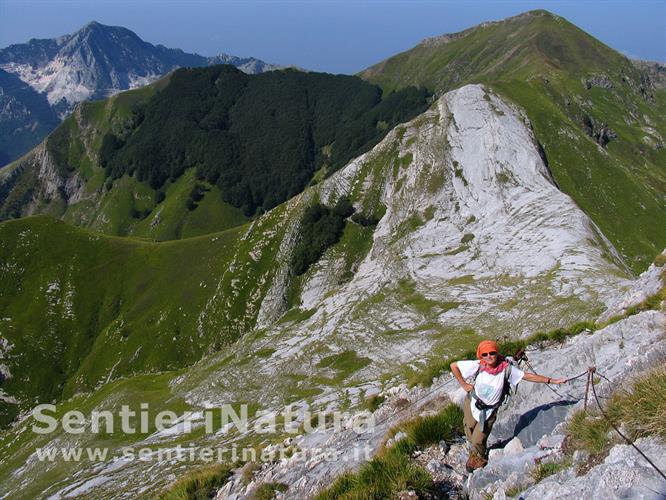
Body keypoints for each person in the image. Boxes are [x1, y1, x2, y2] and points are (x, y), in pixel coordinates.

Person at [450, 340, 567, 472]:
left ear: (497, 353)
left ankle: (479, 458)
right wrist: (464, 385)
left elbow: (527, 376)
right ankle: (474, 452)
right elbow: (454, 366)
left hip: (489, 410)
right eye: (485, 354)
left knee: (478, 438)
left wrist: (553, 380)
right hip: (472, 402)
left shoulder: (506, 369)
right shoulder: (478, 365)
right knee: (469, 430)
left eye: (492, 353)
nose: (489, 356)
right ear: (481, 355)